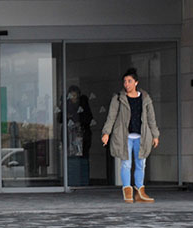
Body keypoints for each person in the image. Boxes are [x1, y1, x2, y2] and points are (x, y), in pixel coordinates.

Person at [101, 68, 159, 203]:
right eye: (125, 81)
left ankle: (140, 192)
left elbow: (151, 119)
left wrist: (155, 135)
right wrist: (106, 133)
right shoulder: (118, 98)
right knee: (126, 164)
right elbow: (111, 117)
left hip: (142, 136)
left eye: (129, 81)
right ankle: (127, 191)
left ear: (136, 82)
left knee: (141, 164)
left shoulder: (145, 98)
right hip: (124, 136)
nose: (126, 84)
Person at [65, 85, 93, 186]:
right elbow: (59, 119)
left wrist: (80, 122)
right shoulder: (66, 105)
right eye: (71, 96)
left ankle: (83, 182)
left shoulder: (83, 105)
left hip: (82, 136)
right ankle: (71, 182)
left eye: (75, 96)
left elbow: (88, 118)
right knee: (70, 160)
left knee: (83, 160)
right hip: (69, 137)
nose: (73, 98)